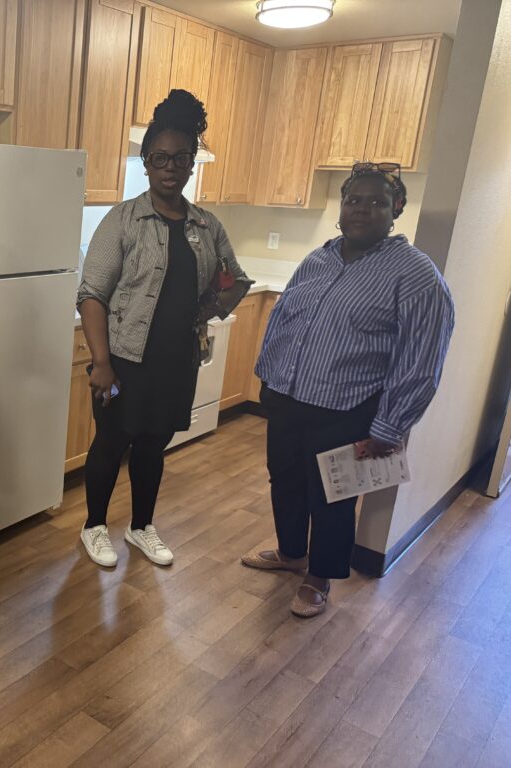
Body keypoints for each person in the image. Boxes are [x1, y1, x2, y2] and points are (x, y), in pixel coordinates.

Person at [243, 163, 454, 618]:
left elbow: (421, 359)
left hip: (346, 408)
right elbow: (284, 319)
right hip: (287, 397)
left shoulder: (415, 275)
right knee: (286, 482)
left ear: (396, 209)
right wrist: (268, 377)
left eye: (376, 201)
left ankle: (319, 576)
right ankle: (292, 553)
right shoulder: (319, 258)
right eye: (354, 200)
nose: (362, 209)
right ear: (342, 207)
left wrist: (390, 426)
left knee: (332, 497)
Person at [76, 90, 251, 569]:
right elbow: (91, 294)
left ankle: (140, 527)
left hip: (176, 360)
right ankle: (94, 526)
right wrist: (103, 364)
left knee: (154, 445)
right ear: (146, 163)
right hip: (125, 361)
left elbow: (235, 277)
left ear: (192, 163)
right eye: (159, 158)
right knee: (112, 443)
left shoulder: (206, 225)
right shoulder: (123, 221)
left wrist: (214, 303)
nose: (170, 167)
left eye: (180, 158)